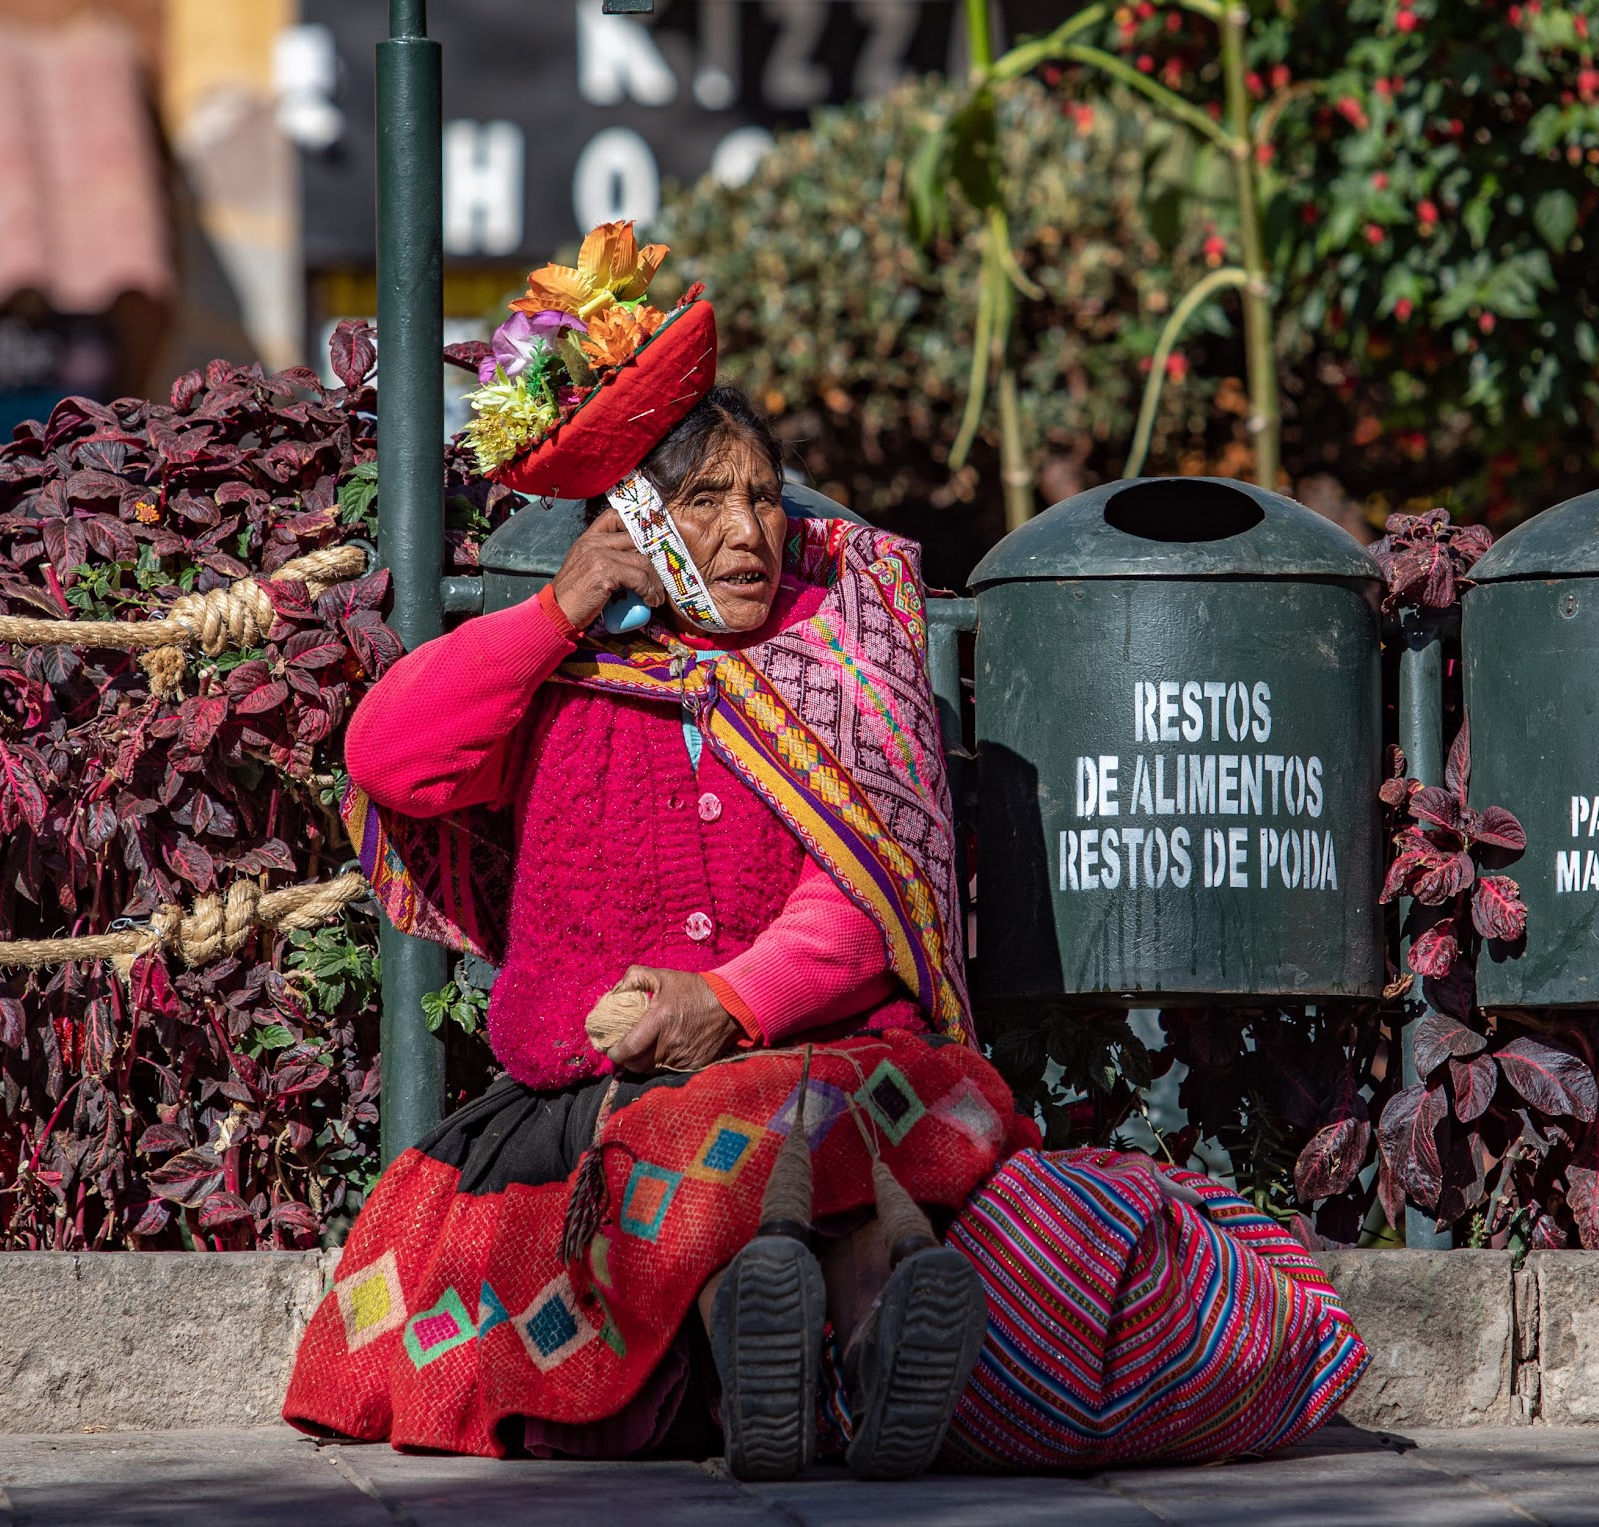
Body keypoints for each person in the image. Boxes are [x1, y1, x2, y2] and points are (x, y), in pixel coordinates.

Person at [284, 227, 1367, 1477]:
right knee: (706, 1146)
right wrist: (561, 606)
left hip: (817, 1057)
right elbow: (392, 758)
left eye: (762, 493)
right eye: (705, 499)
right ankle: (820, 1337)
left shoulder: (840, 658)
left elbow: (865, 898)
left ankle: (851, 1331)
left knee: (802, 1110)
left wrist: (727, 1001)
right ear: (631, 518)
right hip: (596, 1085)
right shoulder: (558, 672)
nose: (752, 530)